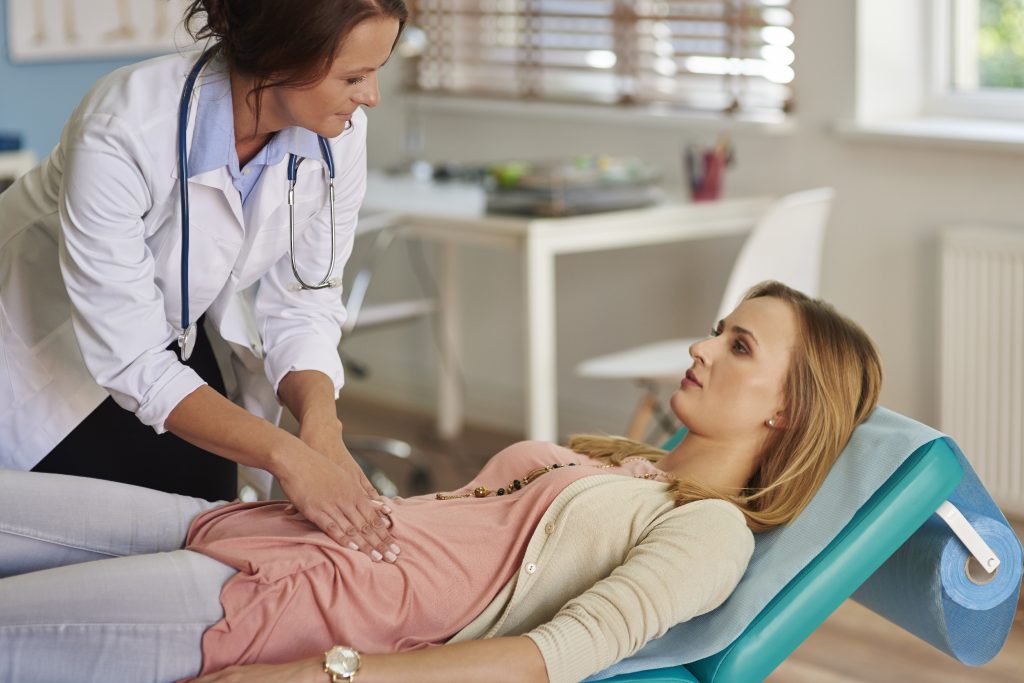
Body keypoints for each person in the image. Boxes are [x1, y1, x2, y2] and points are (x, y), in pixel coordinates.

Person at [0, 281, 884, 683]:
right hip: (262, 529)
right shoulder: (630, 464)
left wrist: (329, 675)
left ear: (787, 413)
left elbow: (553, 657)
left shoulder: (712, 532)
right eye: (718, 327)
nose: (701, 346)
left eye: (739, 346)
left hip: (285, 600)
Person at [0, 0, 407, 560]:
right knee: (90, 560)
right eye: (354, 77)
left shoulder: (337, 136)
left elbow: (305, 303)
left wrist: (321, 429)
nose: (371, 97)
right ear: (282, 57)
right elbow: (133, 359)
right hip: (41, 356)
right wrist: (289, 457)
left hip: (171, 336)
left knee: (207, 538)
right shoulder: (122, 126)